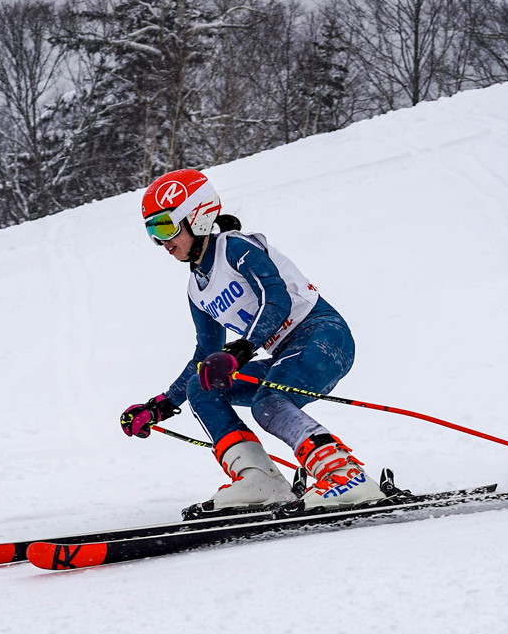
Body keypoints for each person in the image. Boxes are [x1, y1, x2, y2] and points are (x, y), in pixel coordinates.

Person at [120, 168, 386, 516]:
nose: (162, 241)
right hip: (283, 354)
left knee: (268, 401)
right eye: (152, 232)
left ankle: (345, 476)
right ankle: (259, 480)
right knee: (204, 388)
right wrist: (161, 404)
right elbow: (205, 353)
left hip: (322, 336)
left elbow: (276, 299)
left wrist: (242, 350)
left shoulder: (235, 248)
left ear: (197, 216)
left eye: (165, 227)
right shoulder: (196, 288)